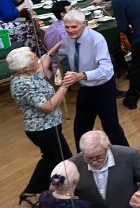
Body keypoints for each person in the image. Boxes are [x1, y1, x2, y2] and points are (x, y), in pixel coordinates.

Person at [47, 9, 130, 148]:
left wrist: (82, 75)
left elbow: (106, 70)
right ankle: (82, 162)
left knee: (111, 128)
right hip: (85, 88)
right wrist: (50, 52)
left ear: (84, 24)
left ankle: (129, 160)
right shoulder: (68, 39)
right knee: (80, 128)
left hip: (103, 88)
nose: (70, 30)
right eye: (67, 27)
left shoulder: (96, 39)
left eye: (74, 27)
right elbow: (57, 56)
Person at [9, 47, 73, 208]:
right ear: (25, 66)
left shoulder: (29, 75)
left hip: (48, 127)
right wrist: (64, 87)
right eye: (33, 58)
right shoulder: (24, 83)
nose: (37, 59)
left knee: (50, 159)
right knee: (64, 160)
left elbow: (43, 66)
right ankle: (62, 193)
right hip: (42, 129)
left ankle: (32, 191)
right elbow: (47, 106)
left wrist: (52, 51)